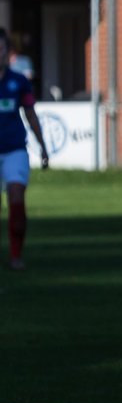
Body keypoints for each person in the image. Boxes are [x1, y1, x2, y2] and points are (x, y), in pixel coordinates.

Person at [0, 29, 49, 270]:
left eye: (1, 49)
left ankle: (16, 255)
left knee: (16, 197)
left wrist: (43, 146)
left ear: (7, 53)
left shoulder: (18, 81)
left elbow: (30, 114)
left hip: (14, 150)